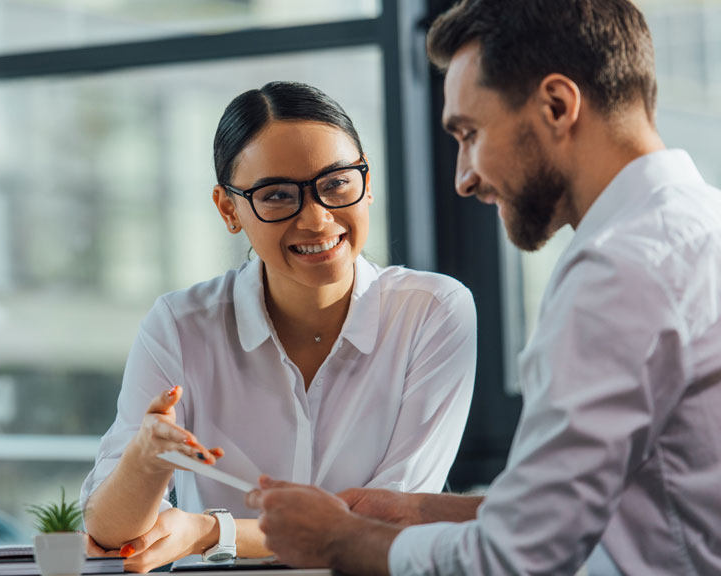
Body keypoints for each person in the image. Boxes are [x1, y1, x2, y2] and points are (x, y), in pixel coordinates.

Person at [246, 1, 721, 575]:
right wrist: (426, 511)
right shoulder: (698, 227)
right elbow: (642, 500)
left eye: (470, 133)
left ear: (556, 105)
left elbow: (514, 560)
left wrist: (339, 542)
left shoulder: (619, 271)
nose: (464, 178)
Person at [80, 81, 477, 572]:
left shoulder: (434, 311)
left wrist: (210, 531)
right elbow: (108, 532)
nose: (316, 219)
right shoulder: (179, 326)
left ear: (367, 182)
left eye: (336, 184)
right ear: (229, 209)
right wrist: (146, 459)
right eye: (277, 195)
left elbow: (391, 517)